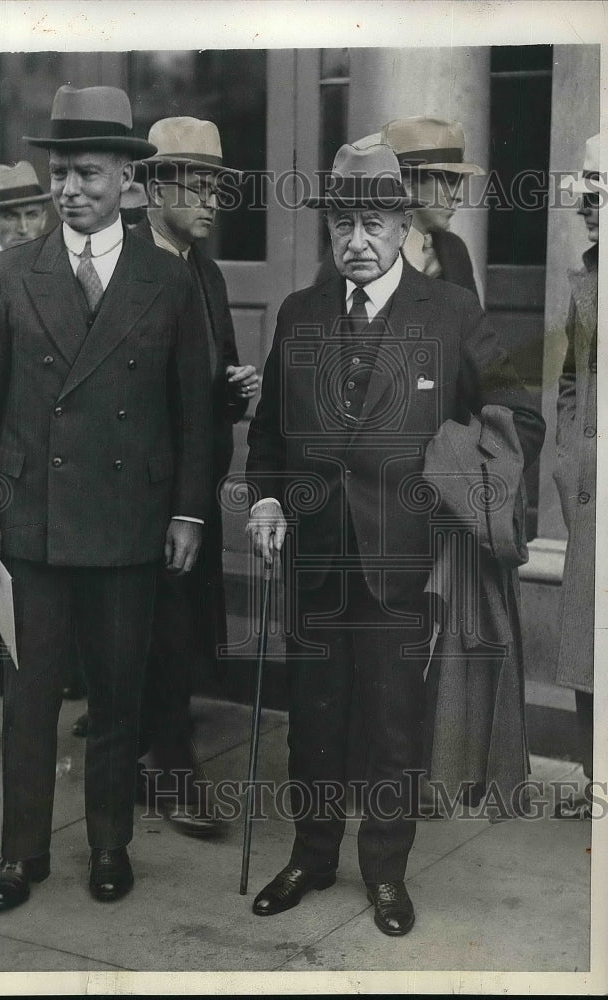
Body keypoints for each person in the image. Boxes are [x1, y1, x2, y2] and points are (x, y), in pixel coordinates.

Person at [245, 142, 545, 935]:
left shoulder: (448, 314)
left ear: (403, 226)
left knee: (389, 720)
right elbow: (269, 432)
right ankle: (311, 857)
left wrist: (458, 478)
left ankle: (384, 873)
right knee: (310, 716)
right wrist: (266, 501)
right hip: (313, 556)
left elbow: (517, 412)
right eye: (342, 222)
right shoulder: (301, 312)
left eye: (372, 222)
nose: (356, 239)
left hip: (403, 559)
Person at [0, 85, 213, 912]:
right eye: (60, 172)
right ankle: (19, 853)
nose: (69, 188)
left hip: (131, 528)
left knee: (115, 699)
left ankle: (109, 845)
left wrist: (186, 511)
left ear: (128, 179)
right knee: (30, 703)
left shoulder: (165, 280)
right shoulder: (11, 269)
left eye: (88, 173)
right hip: (32, 524)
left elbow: (191, 411)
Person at [126, 116, 259, 834]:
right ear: (153, 184)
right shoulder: (125, 262)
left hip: (197, 481)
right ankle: (167, 767)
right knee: (156, 626)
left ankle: (155, 747)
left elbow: (210, 373)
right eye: (198, 184)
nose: (212, 199)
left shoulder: (203, 269)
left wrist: (232, 389)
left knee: (179, 626)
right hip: (140, 486)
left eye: (216, 185)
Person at [0, 160, 53, 697]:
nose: (26, 228)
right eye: (13, 217)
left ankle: (43, 665)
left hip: (40, 446)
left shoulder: (50, 270)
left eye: (34, 214)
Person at [553, 133, 600, 818]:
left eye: (596, 199)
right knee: (589, 640)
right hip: (592, 490)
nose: (586, 211)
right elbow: (568, 380)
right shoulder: (588, 277)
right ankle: (596, 782)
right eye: (585, 201)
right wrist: (569, 456)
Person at [381, 116, 483, 300]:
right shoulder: (362, 250)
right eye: (449, 181)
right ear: (409, 185)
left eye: (460, 182)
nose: (459, 196)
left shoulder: (455, 250)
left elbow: (475, 326)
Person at [0, 161, 51, 251]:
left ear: (43, 219)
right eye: (10, 216)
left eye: (32, 215)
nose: (23, 229)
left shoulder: (59, 263)